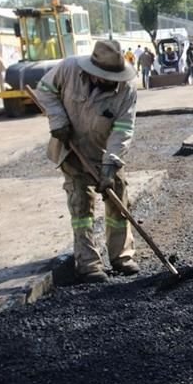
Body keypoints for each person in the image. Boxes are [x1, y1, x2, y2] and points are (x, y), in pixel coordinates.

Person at [34, 39, 139, 284]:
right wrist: (58, 121)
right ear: (93, 72)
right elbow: (44, 90)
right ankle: (89, 263)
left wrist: (110, 165)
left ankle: (122, 256)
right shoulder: (68, 69)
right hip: (72, 150)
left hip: (104, 151)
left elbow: (123, 129)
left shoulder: (127, 90)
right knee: (81, 205)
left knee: (118, 199)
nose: (109, 81)